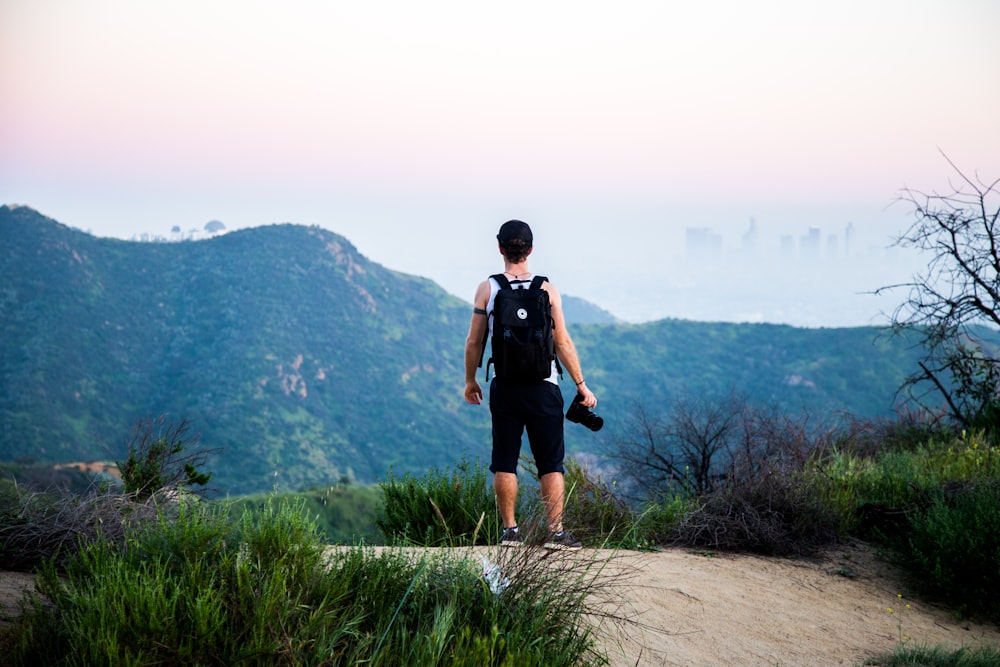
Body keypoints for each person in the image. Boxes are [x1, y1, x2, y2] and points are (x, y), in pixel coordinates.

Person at [463, 220, 598, 550]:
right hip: (544, 386)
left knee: (505, 459)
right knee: (551, 462)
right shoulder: (547, 290)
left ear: (500, 248)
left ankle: (510, 533)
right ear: (531, 249)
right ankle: (555, 533)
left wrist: (470, 380)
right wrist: (581, 384)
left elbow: (473, 342)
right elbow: (562, 341)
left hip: (505, 386)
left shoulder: (488, 289)